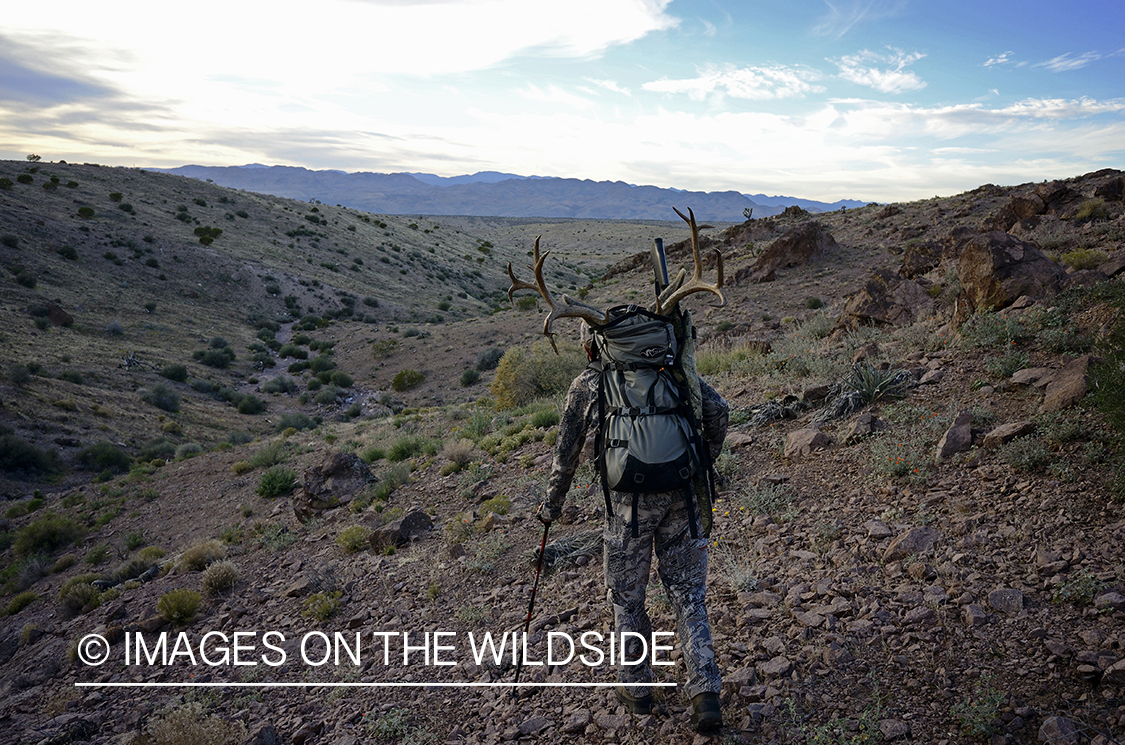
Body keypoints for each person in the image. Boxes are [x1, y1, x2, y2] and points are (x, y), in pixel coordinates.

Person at [537, 323, 729, 733]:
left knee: (627, 597)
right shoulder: (671, 368)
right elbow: (718, 410)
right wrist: (702, 462)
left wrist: (551, 506)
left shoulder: (590, 382)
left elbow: (566, 450)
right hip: (683, 495)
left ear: (593, 347)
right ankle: (705, 693)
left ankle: (637, 688)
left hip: (628, 508)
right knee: (688, 593)